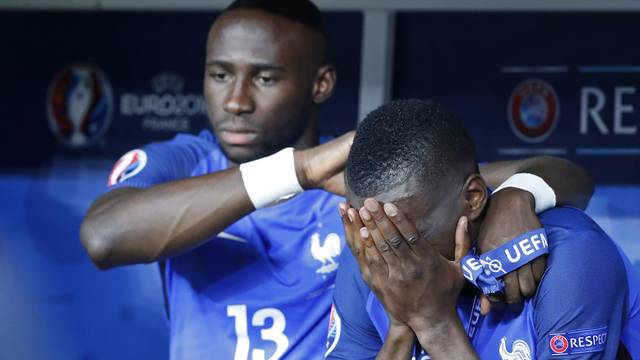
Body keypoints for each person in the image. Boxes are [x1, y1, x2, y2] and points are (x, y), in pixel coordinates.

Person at [80, 1, 594, 359]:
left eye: (264, 78)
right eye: (219, 75)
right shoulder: (186, 163)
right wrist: (298, 170)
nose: (236, 100)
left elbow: (572, 179)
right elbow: (104, 237)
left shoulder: (366, 179)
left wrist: (520, 193)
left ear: (320, 84)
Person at [330, 99, 640, 359]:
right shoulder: (371, 254)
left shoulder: (572, 259)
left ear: (474, 198)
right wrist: (401, 327)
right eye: (377, 236)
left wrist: (435, 325)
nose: (393, 262)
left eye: (410, 238)